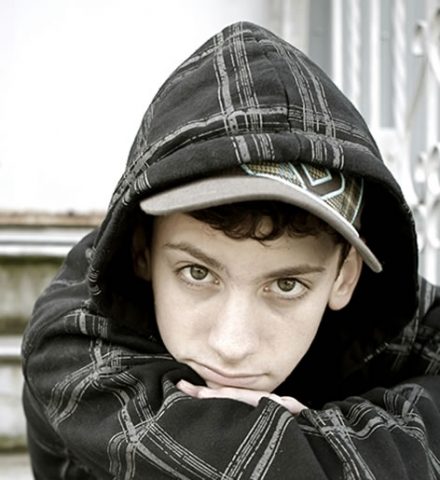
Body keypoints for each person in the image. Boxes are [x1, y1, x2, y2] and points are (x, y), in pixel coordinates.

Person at [22, 21, 440, 479]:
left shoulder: (377, 312)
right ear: (141, 251)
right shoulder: (70, 342)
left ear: (345, 276)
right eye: (197, 273)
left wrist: (301, 438)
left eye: (286, 284)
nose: (233, 344)